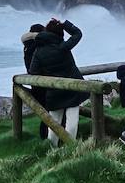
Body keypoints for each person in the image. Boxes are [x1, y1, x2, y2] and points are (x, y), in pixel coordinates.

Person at [27, 18, 86, 146]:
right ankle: (71, 148)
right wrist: (65, 24)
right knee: (72, 122)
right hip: (72, 89)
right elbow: (78, 33)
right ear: (60, 34)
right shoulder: (62, 46)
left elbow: (33, 71)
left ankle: (52, 149)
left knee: (53, 123)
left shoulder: (39, 51)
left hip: (53, 91)